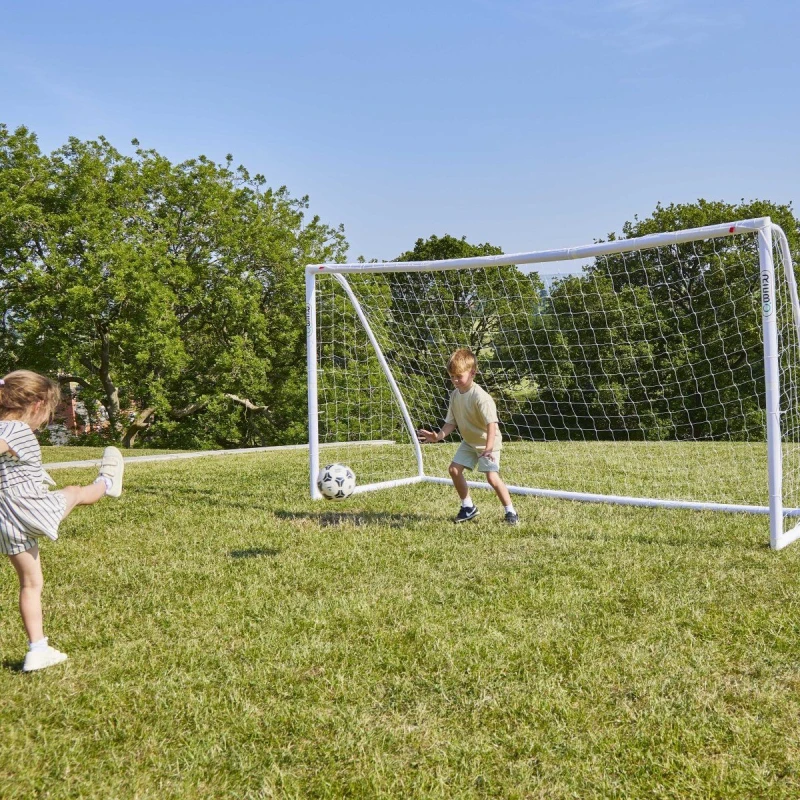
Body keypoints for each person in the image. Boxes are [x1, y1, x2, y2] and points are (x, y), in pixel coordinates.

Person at [0, 370, 124, 672]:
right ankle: (107, 482)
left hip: (5, 520)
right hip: (30, 508)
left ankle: (38, 648)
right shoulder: (15, 429)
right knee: (74, 492)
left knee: (31, 583)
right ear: (37, 404)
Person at [417, 348, 519, 525]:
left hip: (488, 443)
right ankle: (468, 507)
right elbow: (451, 422)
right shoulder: (455, 395)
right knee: (454, 470)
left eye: (458, 376)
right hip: (469, 442)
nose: (455, 380)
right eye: (452, 377)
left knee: (492, 478)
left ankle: (511, 512)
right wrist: (438, 436)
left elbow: (492, 425)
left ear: (472, 372)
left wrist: (488, 448)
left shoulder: (481, 397)